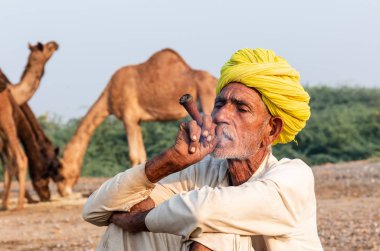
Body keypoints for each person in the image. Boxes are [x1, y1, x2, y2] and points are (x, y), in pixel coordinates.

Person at [83, 48, 323, 251]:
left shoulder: (294, 177)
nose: (220, 116)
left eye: (241, 108)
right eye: (220, 104)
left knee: (216, 229)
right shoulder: (203, 172)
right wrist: (169, 161)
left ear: (271, 129)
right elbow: (95, 211)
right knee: (122, 231)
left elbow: (201, 211)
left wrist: (139, 220)